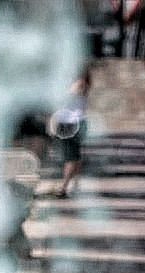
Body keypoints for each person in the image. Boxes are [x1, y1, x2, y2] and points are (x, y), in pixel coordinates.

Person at [48, 69, 91, 198]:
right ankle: (75, 184)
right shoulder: (74, 83)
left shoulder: (79, 83)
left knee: (70, 157)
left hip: (72, 124)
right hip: (68, 122)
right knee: (74, 156)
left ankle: (64, 187)